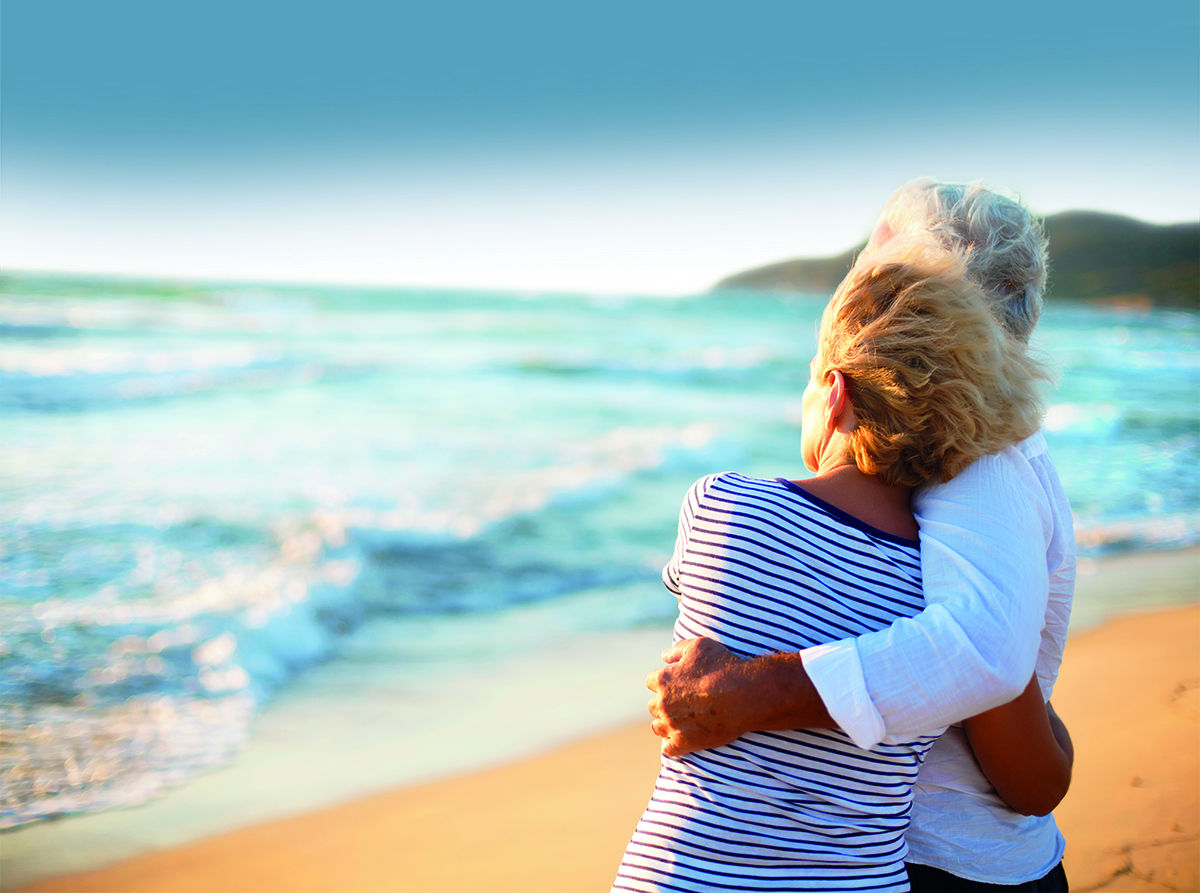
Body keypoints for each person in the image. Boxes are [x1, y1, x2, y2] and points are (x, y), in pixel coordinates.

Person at [645, 180, 1076, 890]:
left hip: (946, 865)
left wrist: (754, 689)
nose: (859, 278)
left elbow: (989, 658)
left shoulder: (977, 465)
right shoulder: (953, 455)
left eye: (881, 264)